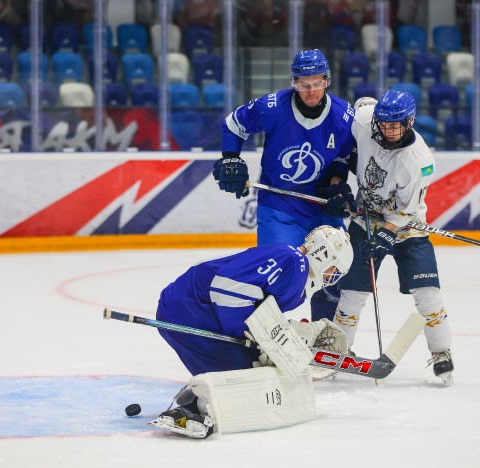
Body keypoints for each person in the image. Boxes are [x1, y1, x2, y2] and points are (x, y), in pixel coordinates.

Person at [150, 225, 354, 438]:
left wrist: (277, 333)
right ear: (324, 254)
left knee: (255, 369)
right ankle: (189, 409)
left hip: (196, 310)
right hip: (189, 310)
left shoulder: (295, 269)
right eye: (335, 270)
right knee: (249, 377)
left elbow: (252, 302)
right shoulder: (293, 262)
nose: (332, 277)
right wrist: (255, 335)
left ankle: (194, 398)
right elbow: (226, 288)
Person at [213, 48, 357, 323]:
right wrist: (231, 158)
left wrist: (338, 184)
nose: (311, 91)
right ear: (294, 83)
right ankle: (266, 337)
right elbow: (233, 125)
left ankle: (324, 338)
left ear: (327, 81)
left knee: (332, 278)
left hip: (323, 208)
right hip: (280, 208)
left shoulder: (343, 116)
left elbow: (345, 153)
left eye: (317, 84)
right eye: (304, 85)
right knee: (274, 274)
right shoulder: (272, 106)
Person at [330, 90, 454, 384]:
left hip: (408, 227)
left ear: (410, 121)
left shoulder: (419, 160)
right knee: (352, 294)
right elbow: (343, 150)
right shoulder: (363, 121)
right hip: (365, 220)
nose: (388, 129)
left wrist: (386, 235)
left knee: (428, 295)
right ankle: (336, 355)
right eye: (383, 122)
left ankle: (442, 353)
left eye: (396, 124)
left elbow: (403, 214)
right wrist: (338, 185)